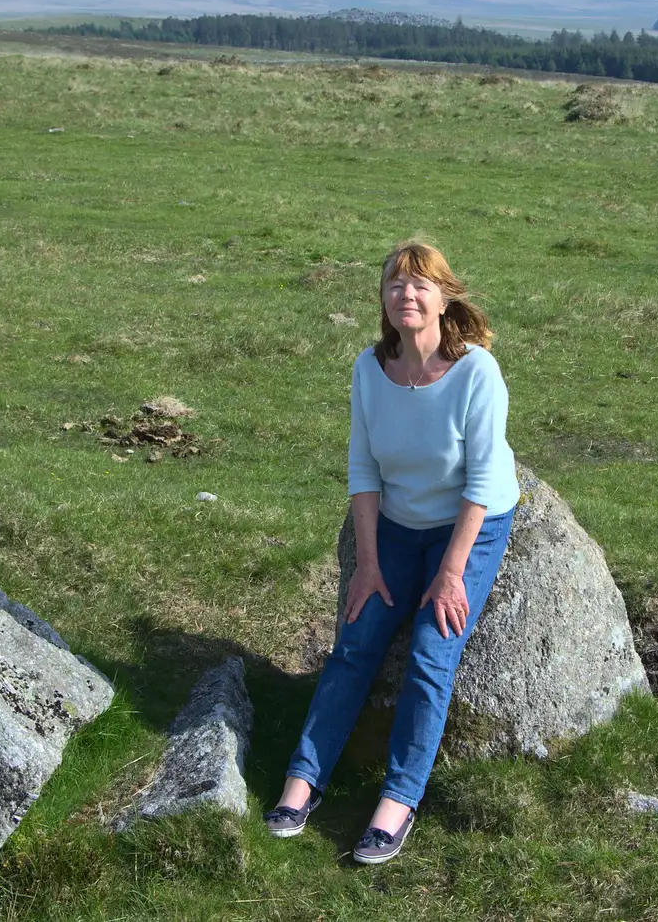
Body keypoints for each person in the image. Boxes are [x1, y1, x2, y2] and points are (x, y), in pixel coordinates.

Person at [265, 238, 519, 865]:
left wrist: (452, 573)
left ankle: (398, 801)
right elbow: (363, 469)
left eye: (420, 284)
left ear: (443, 297)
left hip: (469, 526)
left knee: (433, 651)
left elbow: (483, 481)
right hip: (398, 528)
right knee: (355, 640)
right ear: (383, 300)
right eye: (394, 284)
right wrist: (368, 564)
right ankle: (303, 782)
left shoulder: (475, 372)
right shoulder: (369, 369)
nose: (407, 294)